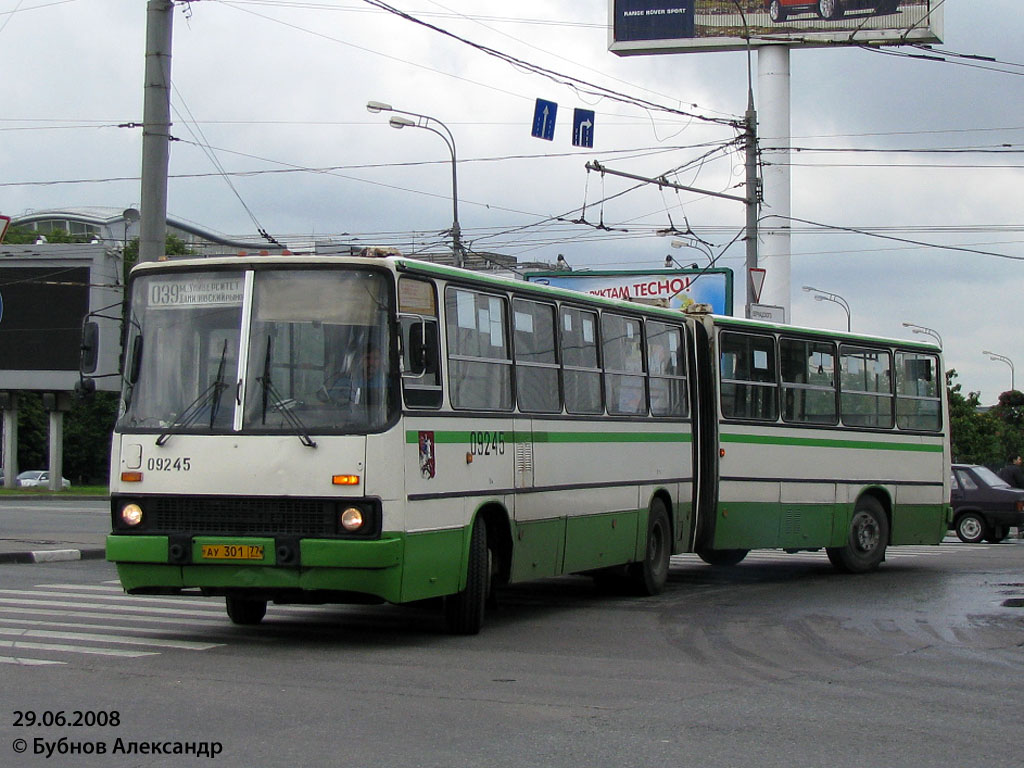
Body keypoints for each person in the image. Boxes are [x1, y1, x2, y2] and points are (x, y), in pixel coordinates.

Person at [998, 455, 1024, 538]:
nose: (1021, 461)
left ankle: (1001, 531)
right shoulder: (1016, 469)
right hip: (1016, 495)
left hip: (1004, 495)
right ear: (1014, 460)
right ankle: (1022, 530)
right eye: (1019, 459)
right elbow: (1021, 482)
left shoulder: (1003, 470)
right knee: (1021, 513)